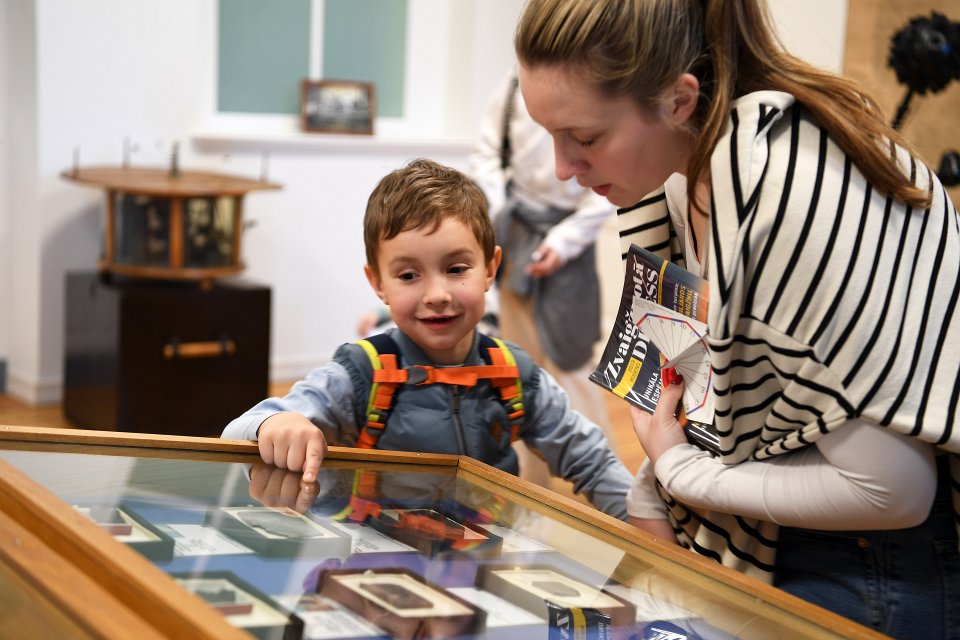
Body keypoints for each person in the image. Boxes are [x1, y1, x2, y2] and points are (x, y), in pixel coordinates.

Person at [514, 0, 960, 636]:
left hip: (869, 565)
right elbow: (679, 396)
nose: (563, 168)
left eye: (584, 139)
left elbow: (894, 491)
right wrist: (655, 498)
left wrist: (682, 474)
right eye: (550, 136)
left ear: (679, 99)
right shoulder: (681, 182)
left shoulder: (788, 199)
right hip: (766, 531)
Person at [222, 158, 632, 520]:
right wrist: (279, 424)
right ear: (378, 283)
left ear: (491, 269)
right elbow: (239, 431)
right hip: (374, 573)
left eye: (456, 269)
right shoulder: (360, 373)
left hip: (482, 570)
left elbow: (591, 458)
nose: (437, 295)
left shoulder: (515, 374)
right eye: (408, 275)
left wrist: (645, 526)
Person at [468, 66, 619, 486]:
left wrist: (564, 242)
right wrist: (496, 207)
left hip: (570, 243)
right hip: (515, 231)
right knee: (518, 366)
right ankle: (528, 489)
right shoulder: (513, 86)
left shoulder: (597, 91)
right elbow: (487, 153)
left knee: (572, 366)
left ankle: (604, 489)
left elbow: (606, 188)